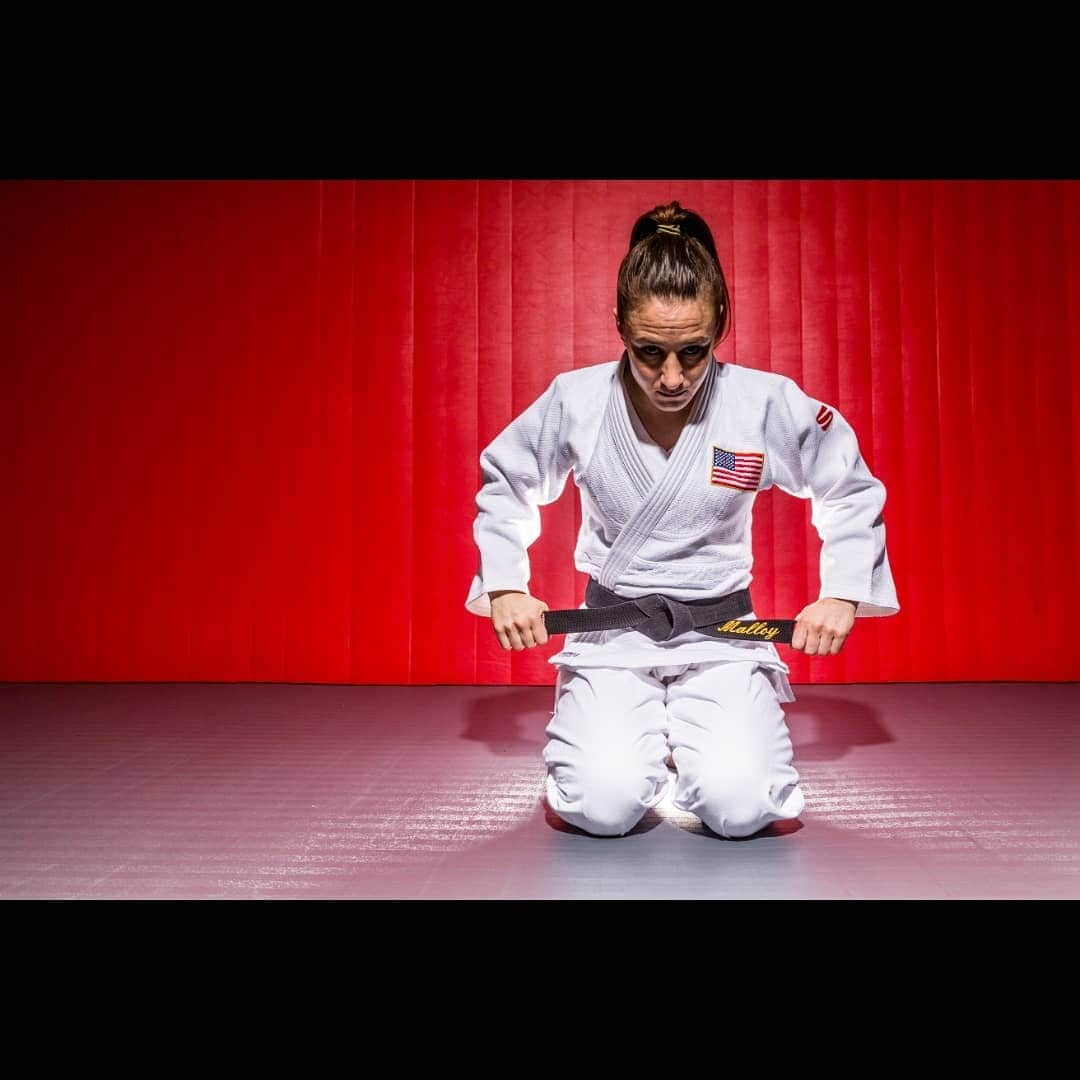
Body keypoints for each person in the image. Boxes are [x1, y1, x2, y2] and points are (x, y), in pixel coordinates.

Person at [464, 201, 900, 839]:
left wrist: (840, 593)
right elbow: (505, 481)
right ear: (619, 324)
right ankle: (618, 743)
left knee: (743, 808)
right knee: (600, 808)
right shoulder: (577, 399)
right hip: (614, 636)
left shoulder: (764, 402)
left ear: (720, 323)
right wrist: (506, 584)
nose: (671, 377)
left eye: (693, 353)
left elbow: (850, 486)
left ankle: (691, 752)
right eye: (649, 352)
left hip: (723, 634)